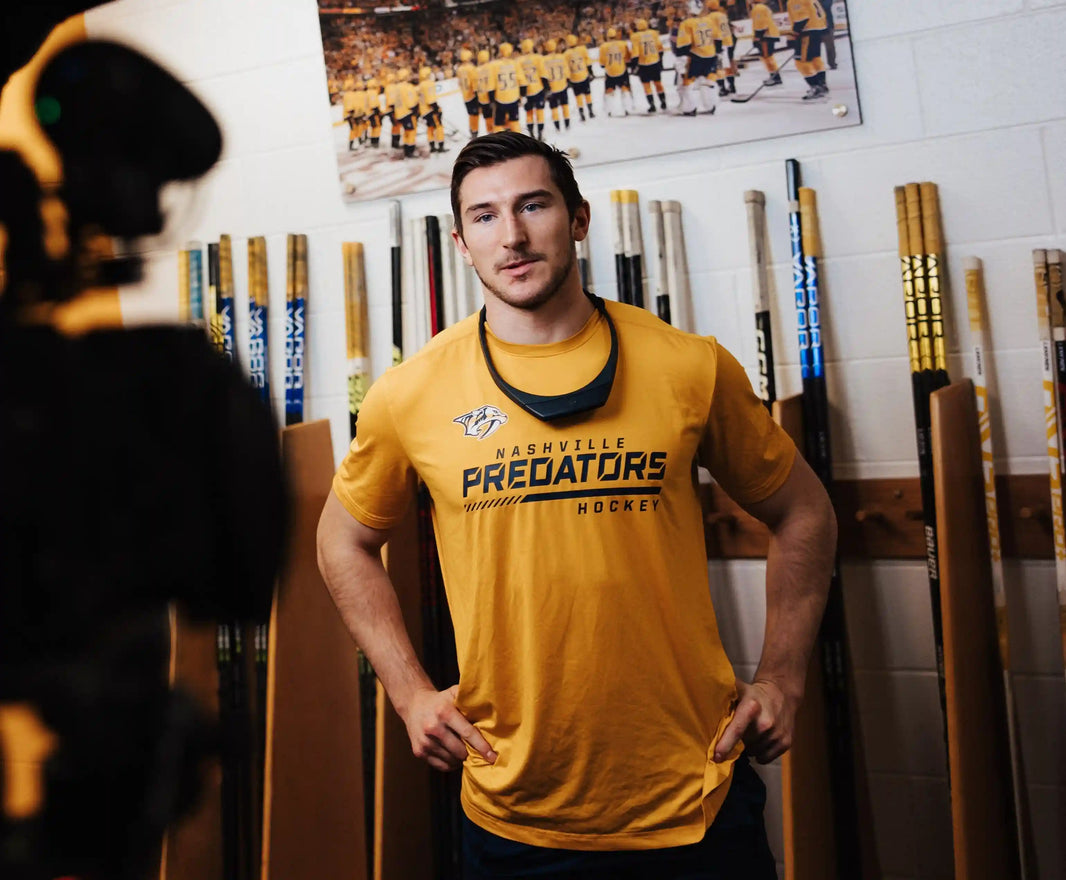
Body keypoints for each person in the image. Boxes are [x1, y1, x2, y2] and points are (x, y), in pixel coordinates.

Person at [317, 132, 837, 880]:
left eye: (534, 205)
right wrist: (408, 693)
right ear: (462, 244)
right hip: (514, 809)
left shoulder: (689, 366)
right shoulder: (412, 394)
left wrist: (784, 678)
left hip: (693, 798)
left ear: (579, 218)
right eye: (487, 217)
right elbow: (341, 541)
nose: (515, 236)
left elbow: (805, 512)